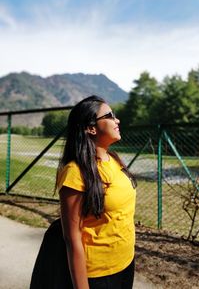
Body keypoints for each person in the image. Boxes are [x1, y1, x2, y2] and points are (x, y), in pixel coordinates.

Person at [56, 95, 136, 289]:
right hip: (99, 275)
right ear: (91, 128)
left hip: (126, 262)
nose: (117, 120)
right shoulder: (75, 173)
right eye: (109, 116)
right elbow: (72, 237)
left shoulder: (114, 159)